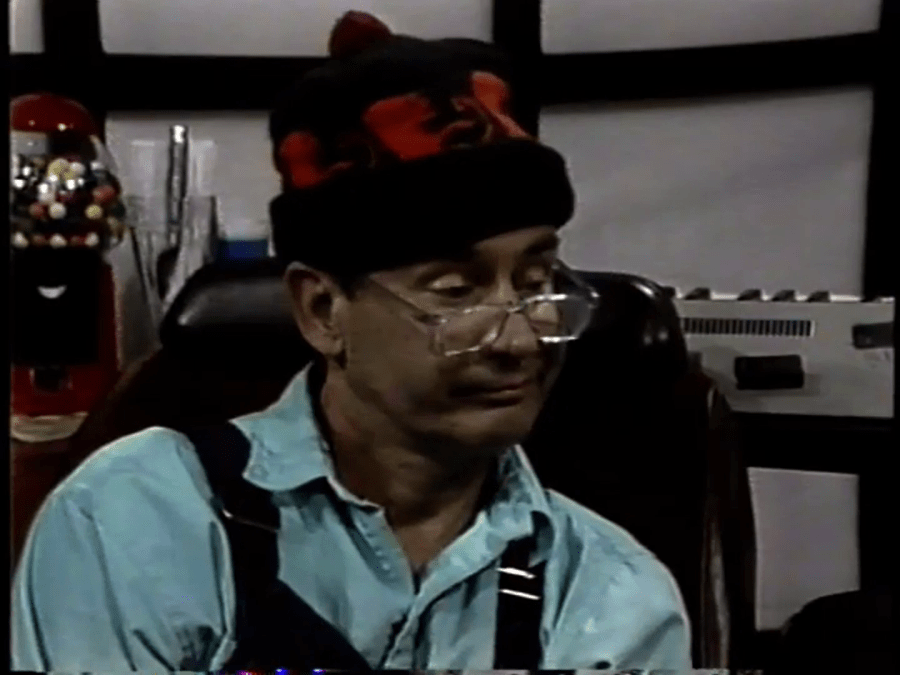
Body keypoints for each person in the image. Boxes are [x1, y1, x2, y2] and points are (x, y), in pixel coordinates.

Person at [11, 11, 692, 672]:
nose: (518, 336)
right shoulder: (137, 522)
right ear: (322, 309)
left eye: (537, 282)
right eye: (457, 291)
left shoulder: (610, 596)